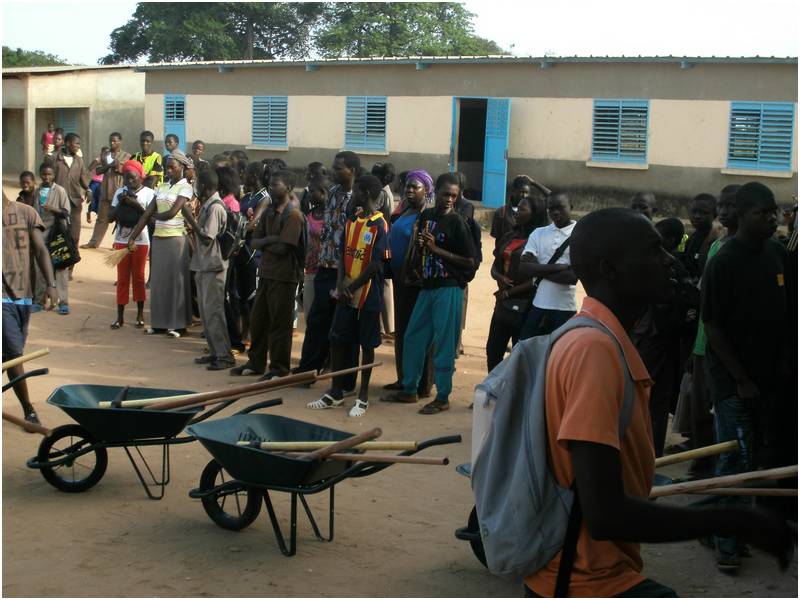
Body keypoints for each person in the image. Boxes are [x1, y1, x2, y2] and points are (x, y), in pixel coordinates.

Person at [525, 207, 794, 597]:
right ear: (611, 269)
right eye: (653, 251)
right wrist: (730, 519)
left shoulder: (604, 339)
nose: (667, 258)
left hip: (592, 572)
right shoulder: (594, 350)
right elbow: (605, 514)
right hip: (585, 580)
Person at [702, 182, 789, 572]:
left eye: (774, 211)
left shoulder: (778, 255)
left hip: (770, 379)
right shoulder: (724, 260)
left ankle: (722, 526)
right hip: (734, 383)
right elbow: (714, 327)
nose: (771, 218)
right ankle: (725, 541)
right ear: (742, 214)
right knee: (733, 462)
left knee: (752, 462)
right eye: (762, 213)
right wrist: (740, 380)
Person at [381, 173, 476, 414]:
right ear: (437, 193)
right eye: (446, 194)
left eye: (454, 196)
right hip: (427, 286)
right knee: (413, 336)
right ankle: (409, 389)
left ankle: (442, 397)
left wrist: (437, 249)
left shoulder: (457, 222)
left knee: (444, 343)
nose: (450, 200)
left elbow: (470, 261)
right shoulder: (427, 216)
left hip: (448, 288)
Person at [307, 175, 389, 417]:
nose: (354, 195)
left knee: (366, 344)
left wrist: (353, 287)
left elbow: (375, 264)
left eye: (358, 191)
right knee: (337, 338)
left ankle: (363, 396)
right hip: (346, 291)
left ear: (365, 193)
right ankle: (335, 391)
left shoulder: (380, 225)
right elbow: (343, 253)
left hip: (366, 294)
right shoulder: (352, 221)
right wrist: (342, 281)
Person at [293, 151, 361, 393]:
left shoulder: (358, 199)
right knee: (316, 323)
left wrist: (346, 279)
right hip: (325, 267)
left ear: (352, 170)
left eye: (338, 167)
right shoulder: (332, 194)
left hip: (347, 273)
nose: (333, 171)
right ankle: (307, 371)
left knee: (345, 329)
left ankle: (345, 381)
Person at [685, 185, 741, 475]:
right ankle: (703, 463)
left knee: (724, 412)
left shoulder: (749, 250)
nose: (724, 212)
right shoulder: (717, 246)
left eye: (731, 206)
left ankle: (724, 472)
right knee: (700, 410)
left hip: (726, 346)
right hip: (702, 342)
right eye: (722, 205)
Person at [631, 216, 699, 457]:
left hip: (655, 338)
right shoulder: (673, 265)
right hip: (658, 338)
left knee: (647, 401)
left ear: (669, 240)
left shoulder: (667, 266)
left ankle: (647, 455)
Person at [231, 169, 303, 378]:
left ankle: (279, 368)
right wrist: (272, 239)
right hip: (266, 273)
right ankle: (256, 362)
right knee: (258, 319)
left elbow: (284, 248)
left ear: (288, 187)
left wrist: (266, 241)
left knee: (280, 324)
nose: (271, 188)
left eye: (275, 185)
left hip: (284, 276)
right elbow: (254, 240)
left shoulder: (293, 214)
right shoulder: (270, 211)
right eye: (270, 184)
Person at [3, 190, 59, 426]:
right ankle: (28, 409)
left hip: (23, 297)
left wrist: (51, 284)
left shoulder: (26, 213)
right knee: (15, 355)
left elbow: (41, 251)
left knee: (8, 353)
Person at [127, 150, 194, 337]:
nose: (169, 171)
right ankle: (159, 323)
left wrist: (154, 217)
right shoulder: (162, 186)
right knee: (159, 282)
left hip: (176, 239)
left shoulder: (185, 188)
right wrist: (133, 236)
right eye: (167, 168)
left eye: (172, 167)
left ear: (181, 167)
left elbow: (173, 212)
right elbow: (147, 213)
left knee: (176, 282)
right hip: (159, 238)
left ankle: (178, 325)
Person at [383, 170, 434, 397]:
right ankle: (404, 378)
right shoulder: (404, 210)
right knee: (403, 331)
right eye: (408, 186)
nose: (410, 190)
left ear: (427, 191)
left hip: (417, 282)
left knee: (419, 333)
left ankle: (422, 384)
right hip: (400, 280)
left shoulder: (427, 216)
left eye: (416, 187)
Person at [182, 168, 234, 370]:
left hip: (214, 265)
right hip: (204, 264)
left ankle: (224, 355)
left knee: (214, 312)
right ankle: (214, 352)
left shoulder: (215, 207)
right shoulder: (208, 205)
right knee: (205, 312)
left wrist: (190, 218)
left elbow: (206, 236)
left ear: (205, 186)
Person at [485, 196, 538, 371]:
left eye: (522, 209)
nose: (516, 212)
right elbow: (495, 264)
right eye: (517, 208)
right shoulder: (510, 235)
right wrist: (499, 276)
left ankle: (512, 396)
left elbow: (536, 278)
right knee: (493, 350)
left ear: (534, 213)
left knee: (518, 354)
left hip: (525, 302)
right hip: (503, 300)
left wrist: (510, 292)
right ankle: (492, 393)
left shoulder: (538, 239)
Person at [518, 192, 578, 340]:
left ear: (571, 207)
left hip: (565, 308)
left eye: (560, 207)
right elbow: (523, 268)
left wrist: (537, 268)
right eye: (551, 209)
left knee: (560, 356)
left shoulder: (580, 234)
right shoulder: (539, 233)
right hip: (538, 305)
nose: (555, 212)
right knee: (529, 352)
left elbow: (572, 277)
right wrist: (560, 267)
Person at [108, 160, 154, 330]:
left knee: (139, 277)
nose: (130, 181)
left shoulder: (149, 193)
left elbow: (149, 217)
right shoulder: (120, 192)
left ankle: (140, 315)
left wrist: (134, 203)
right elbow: (110, 217)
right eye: (127, 178)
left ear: (141, 177)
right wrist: (121, 201)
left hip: (141, 241)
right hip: (121, 240)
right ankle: (119, 316)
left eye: (133, 178)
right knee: (122, 279)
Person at [32, 162, 71, 315]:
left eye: (49, 174)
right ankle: (39, 300)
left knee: (60, 267)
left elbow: (66, 213)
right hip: (41, 233)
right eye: (44, 174)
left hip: (57, 234)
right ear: (40, 175)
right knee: (39, 266)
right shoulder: (37, 191)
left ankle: (63, 301)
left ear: (54, 176)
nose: (46, 177)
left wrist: (53, 209)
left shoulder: (60, 191)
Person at [82, 132, 131, 249]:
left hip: (119, 192)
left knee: (121, 219)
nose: (112, 143)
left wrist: (118, 166)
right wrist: (109, 165)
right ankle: (94, 242)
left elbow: (127, 170)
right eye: (111, 141)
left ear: (120, 141)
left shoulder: (126, 156)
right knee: (101, 219)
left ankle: (119, 244)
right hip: (105, 191)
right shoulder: (105, 155)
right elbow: (98, 171)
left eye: (114, 141)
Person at [51, 133, 89, 262]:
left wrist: (88, 189)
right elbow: (48, 178)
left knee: (74, 235)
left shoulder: (79, 160)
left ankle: (70, 266)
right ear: (67, 143)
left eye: (79, 143)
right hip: (58, 204)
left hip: (75, 203)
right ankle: (58, 264)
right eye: (76, 143)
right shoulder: (55, 158)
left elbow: (83, 180)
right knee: (58, 235)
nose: (78, 146)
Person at [371, 161, 396, 341]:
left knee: (381, 284)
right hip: (386, 237)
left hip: (379, 239)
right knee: (385, 285)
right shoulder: (387, 191)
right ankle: (389, 325)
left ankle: (382, 326)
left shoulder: (380, 194)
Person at [490, 175, 550, 248]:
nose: (524, 196)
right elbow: (498, 239)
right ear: (513, 191)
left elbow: (552, 197)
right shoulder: (501, 213)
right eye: (521, 192)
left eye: (527, 192)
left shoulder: (534, 210)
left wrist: (534, 183)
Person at [301, 178, 327, 319]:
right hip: (310, 268)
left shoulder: (332, 215)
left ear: (322, 192)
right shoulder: (310, 213)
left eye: (312, 191)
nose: (309, 194)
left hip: (325, 269)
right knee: (309, 312)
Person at [682, 193, 723, 281]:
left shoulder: (716, 241)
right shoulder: (691, 238)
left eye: (703, 213)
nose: (697, 216)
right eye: (694, 212)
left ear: (714, 215)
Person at [85, 146, 110, 225]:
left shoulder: (109, 162)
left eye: (108, 153)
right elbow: (88, 170)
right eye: (104, 153)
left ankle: (99, 219)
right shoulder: (97, 160)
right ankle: (89, 212)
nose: (106, 155)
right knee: (92, 201)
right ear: (101, 153)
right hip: (94, 183)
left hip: (102, 184)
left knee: (100, 201)